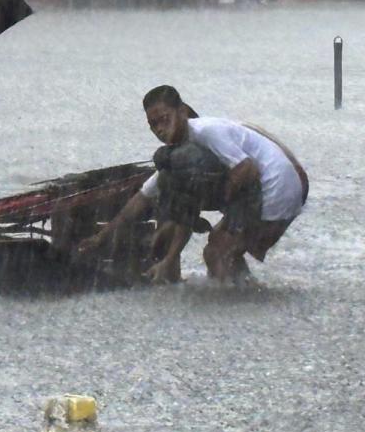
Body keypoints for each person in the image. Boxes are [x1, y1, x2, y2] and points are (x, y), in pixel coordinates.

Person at [81, 85, 308, 284]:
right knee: (222, 245)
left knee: (217, 252)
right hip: (271, 185)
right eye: (153, 124)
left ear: (182, 112)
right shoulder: (179, 156)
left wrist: (211, 201)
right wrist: (103, 236)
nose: (160, 129)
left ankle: (234, 307)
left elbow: (246, 168)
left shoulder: (206, 132)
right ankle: (245, 291)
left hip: (277, 187)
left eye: (165, 119)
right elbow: (142, 197)